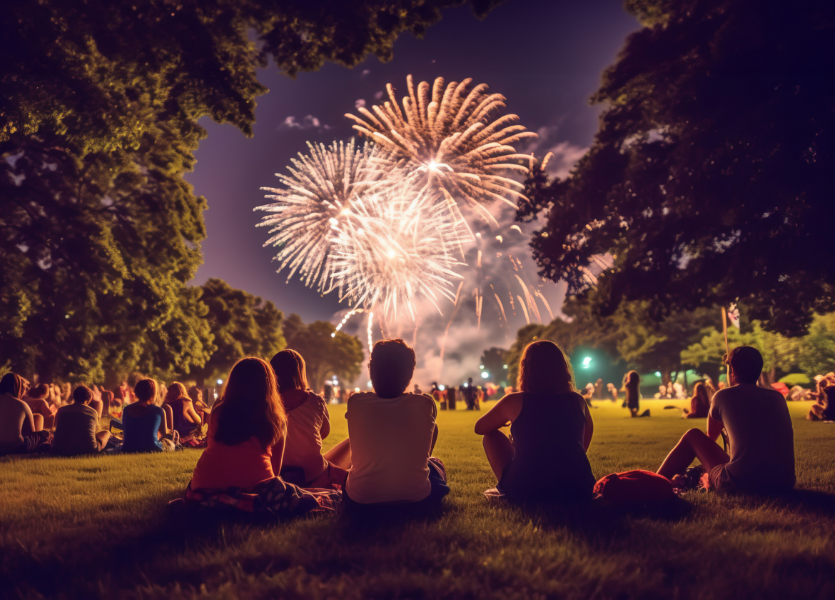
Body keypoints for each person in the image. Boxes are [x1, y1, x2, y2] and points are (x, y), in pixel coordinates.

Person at [657, 346, 795, 494]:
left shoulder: (722, 396)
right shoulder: (777, 398)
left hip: (742, 483)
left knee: (693, 435)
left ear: (733, 371)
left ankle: (653, 483)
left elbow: (711, 438)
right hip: (783, 483)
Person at [474, 340, 595, 503]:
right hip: (579, 487)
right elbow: (582, 445)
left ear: (526, 369)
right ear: (562, 368)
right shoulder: (578, 401)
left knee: (490, 436)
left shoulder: (514, 401)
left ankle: (506, 488)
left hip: (526, 490)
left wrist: (508, 421)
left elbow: (480, 427)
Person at [342, 339, 449, 511]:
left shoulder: (355, 402)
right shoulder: (425, 404)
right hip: (418, 501)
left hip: (360, 502)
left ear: (370, 369)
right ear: (410, 373)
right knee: (435, 464)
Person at [269, 349, 348, 489]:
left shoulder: (265, 403)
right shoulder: (314, 401)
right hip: (313, 474)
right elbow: (323, 432)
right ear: (300, 373)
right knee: (348, 449)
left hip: (276, 475)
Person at [0, 373, 52, 454]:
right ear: (17, 387)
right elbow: (32, 434)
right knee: (44, 435)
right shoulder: (21, 404)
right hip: (16, 447)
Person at [52, 386, 111, 455]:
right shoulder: (92, 412)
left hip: (61, 448)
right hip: (88, 449)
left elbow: (56, 427)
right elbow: (95, 430)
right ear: (87, 400)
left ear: (74, 397)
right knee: (106, 433)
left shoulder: (61, 410)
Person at [121, 379, 175, 453]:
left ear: (136, 392)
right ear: (153, 393)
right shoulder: (159, 410)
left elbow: (126, 430)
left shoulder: (126, 409)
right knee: (171, 444)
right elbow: (164, 433)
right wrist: (172, 433)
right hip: (153, 448)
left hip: (128, 448)